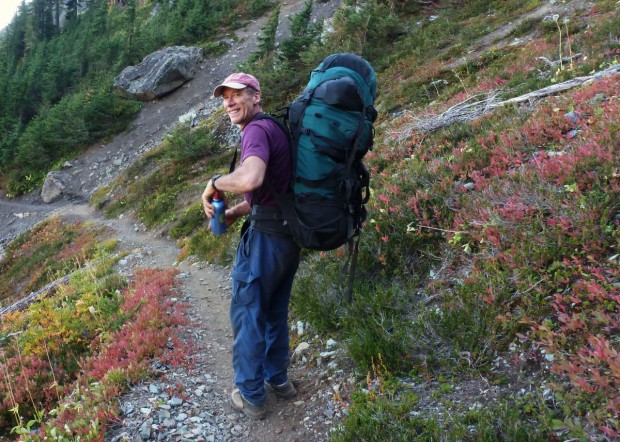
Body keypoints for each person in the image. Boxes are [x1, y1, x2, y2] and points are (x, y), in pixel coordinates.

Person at [202, 73, 300, 420]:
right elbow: (270, 192)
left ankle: (251, 395)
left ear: (256, 96)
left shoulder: (256, 131)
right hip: (288, 239)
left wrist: (214, 183)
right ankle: (279, 380)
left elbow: (251, 178)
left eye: (237, 95)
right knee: (274, 310)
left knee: (247, 313)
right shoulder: (274, 128)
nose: (228, 102)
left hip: (265, 242)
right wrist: (234, 211)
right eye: (224, 97)